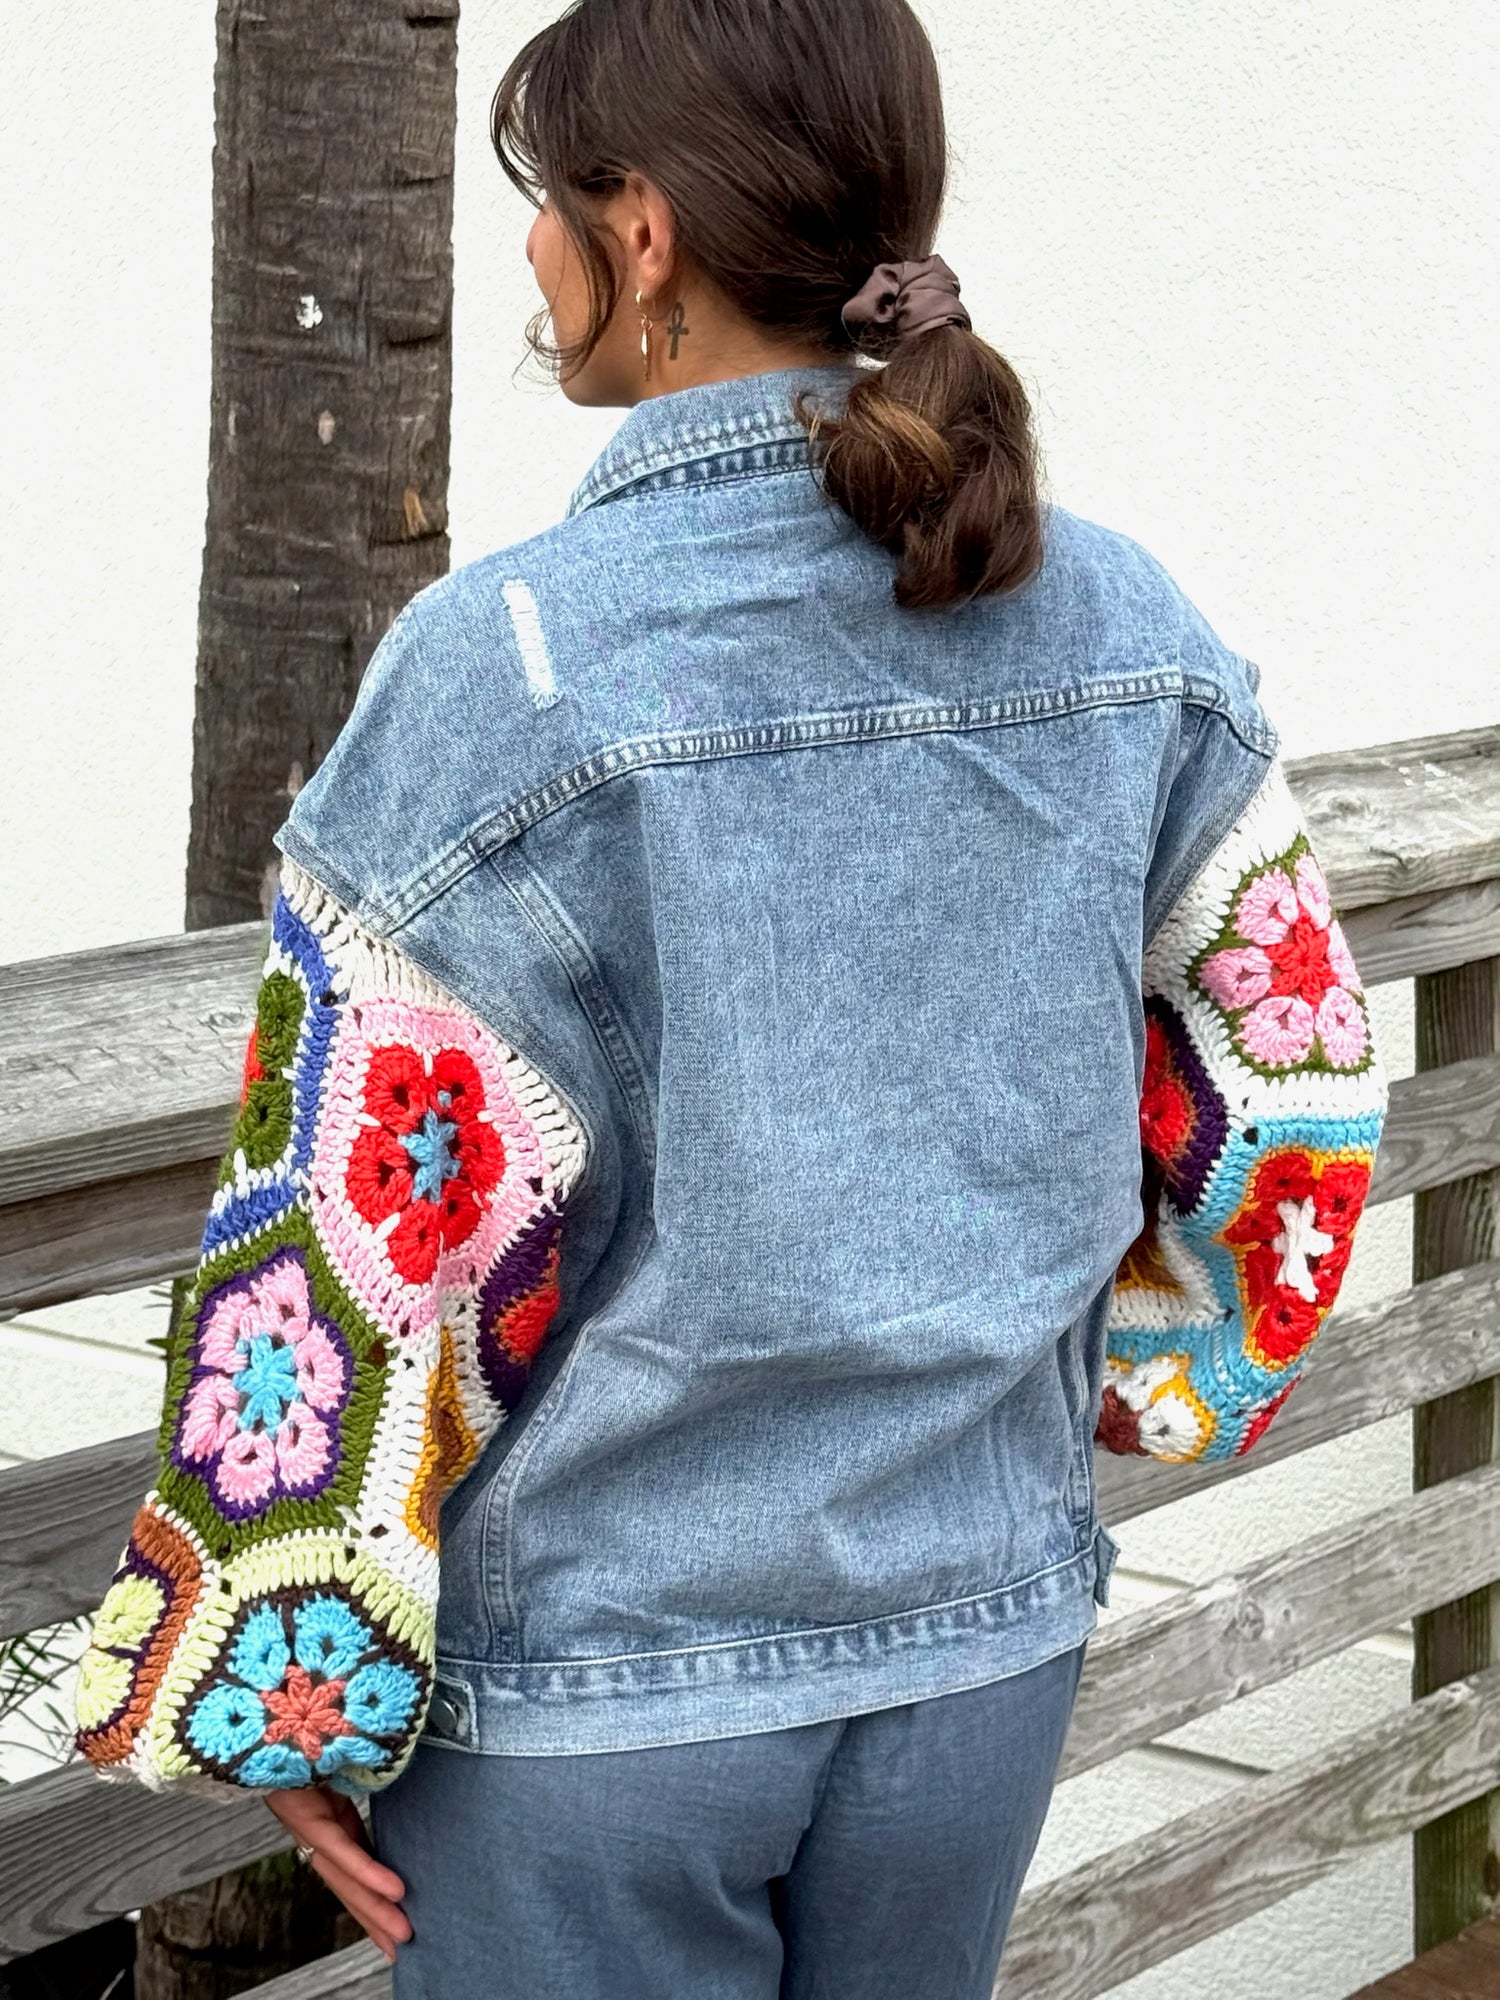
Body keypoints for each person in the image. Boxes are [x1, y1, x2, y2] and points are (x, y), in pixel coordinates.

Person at [73, 2, 1388, 1994]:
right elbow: (1289, 1076)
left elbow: (357, 1232)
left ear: (647, 232)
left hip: (602, 1701)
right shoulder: (1125, 619)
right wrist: (1149, 1372)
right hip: (983, 1644)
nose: (530, 254)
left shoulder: (503, 670)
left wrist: (282, 1671)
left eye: (546, 203)